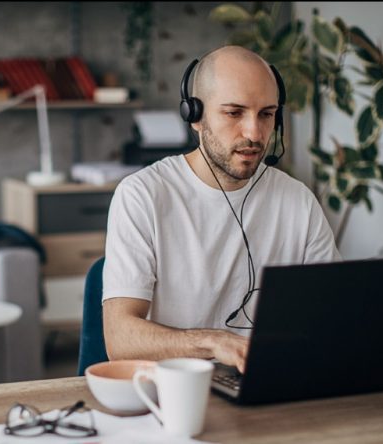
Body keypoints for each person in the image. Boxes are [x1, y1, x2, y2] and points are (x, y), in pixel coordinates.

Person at [102, 46, 340, 373]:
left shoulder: (297, 200)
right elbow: (120, 341)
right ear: (195, 116)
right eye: (234, 113)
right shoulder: (143, 195)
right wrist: (215, 343)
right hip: (176, 394)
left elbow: (332, 314)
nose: (254, 133)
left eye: (267, 114)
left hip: (269, 383)